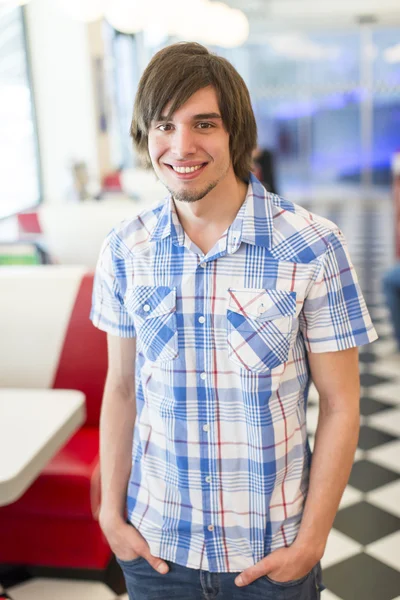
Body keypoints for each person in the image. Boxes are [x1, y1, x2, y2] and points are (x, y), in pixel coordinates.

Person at [90, 42, 377, 600]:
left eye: (204, 124)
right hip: (156, 551)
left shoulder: (312, 246)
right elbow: (122, 388)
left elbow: (342, 406)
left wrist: (312, 542)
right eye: (163, 126)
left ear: (237, 133)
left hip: (271, 557)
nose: (181, 146)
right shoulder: (126, 250)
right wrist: (111, 515)